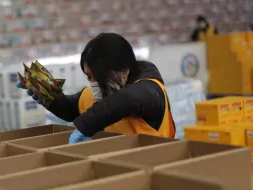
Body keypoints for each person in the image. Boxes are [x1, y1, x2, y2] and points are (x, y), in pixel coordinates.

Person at [18, 33, 175, 144]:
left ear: (124, 71)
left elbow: (128, 99)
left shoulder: (150, 91)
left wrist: (86, 126)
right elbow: (69, 109)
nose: (93, 83)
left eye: (98, 77)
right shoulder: (99, 94)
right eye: (89, 77)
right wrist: (48, 95)